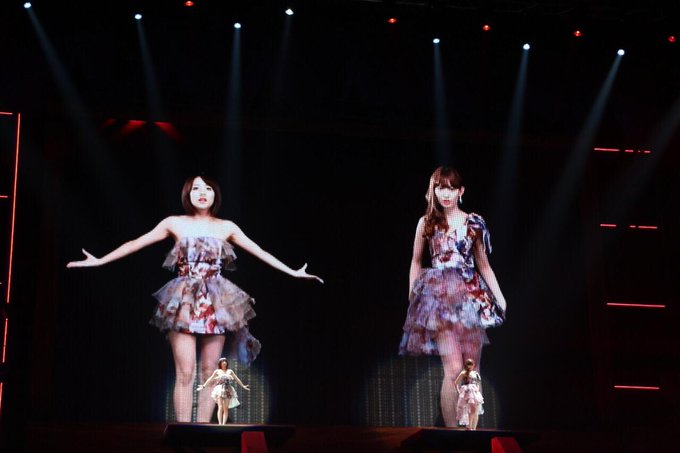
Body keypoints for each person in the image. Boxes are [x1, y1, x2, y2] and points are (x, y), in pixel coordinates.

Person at [67, 175, 323, 422]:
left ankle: (202, 430)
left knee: (210, 372)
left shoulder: (226, 227)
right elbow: (135, 243)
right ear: (187, 194)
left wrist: (293, 272)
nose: (202, 193)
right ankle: (183, 431)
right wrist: (100, 261)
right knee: (185, 372)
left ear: (215, 195)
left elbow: (260, 251)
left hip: (216, 301)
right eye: (196, 188)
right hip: (184, 300)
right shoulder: (174, 223)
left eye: (208, 189)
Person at [399, 166, 506, 428]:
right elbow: (415, 261)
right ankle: (451, 433)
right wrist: (414, 295)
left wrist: (500, 298)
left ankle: (471, 430)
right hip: (440, 300)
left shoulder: (474, 223)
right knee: (454, 368)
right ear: (434, 191)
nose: (445, 194)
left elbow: (484, 265)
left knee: (472, 371)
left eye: (451, 188)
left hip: (470, 298)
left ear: (461, 191)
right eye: (440, 188)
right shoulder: (427, 222)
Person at [197, 357, 249, 424]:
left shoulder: (230, 371)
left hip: (228, 390)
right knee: (220, 407)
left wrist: (243, 386)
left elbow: (237, 379)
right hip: (220, 390)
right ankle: (220, 423)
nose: (224, 363)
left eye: (225, 361)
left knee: (226, 408)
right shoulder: (217, 371)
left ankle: (223, 424)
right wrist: (203, 386)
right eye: (222, 361)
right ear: (220, 363)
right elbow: (210, 379)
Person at [454, 358, 484, 430]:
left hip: (475, 393)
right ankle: (469, 426)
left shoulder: (475, 373)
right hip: (468, 393)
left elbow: (478, 383)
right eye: (468, 364)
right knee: (471, 409)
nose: (470, 366)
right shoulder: (464, 373)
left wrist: (477, 388)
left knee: (476, 411)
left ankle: (474, 428)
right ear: (466, 365)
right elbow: (456, 383)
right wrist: (459, 391)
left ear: (473, 365)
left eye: (471, 364)